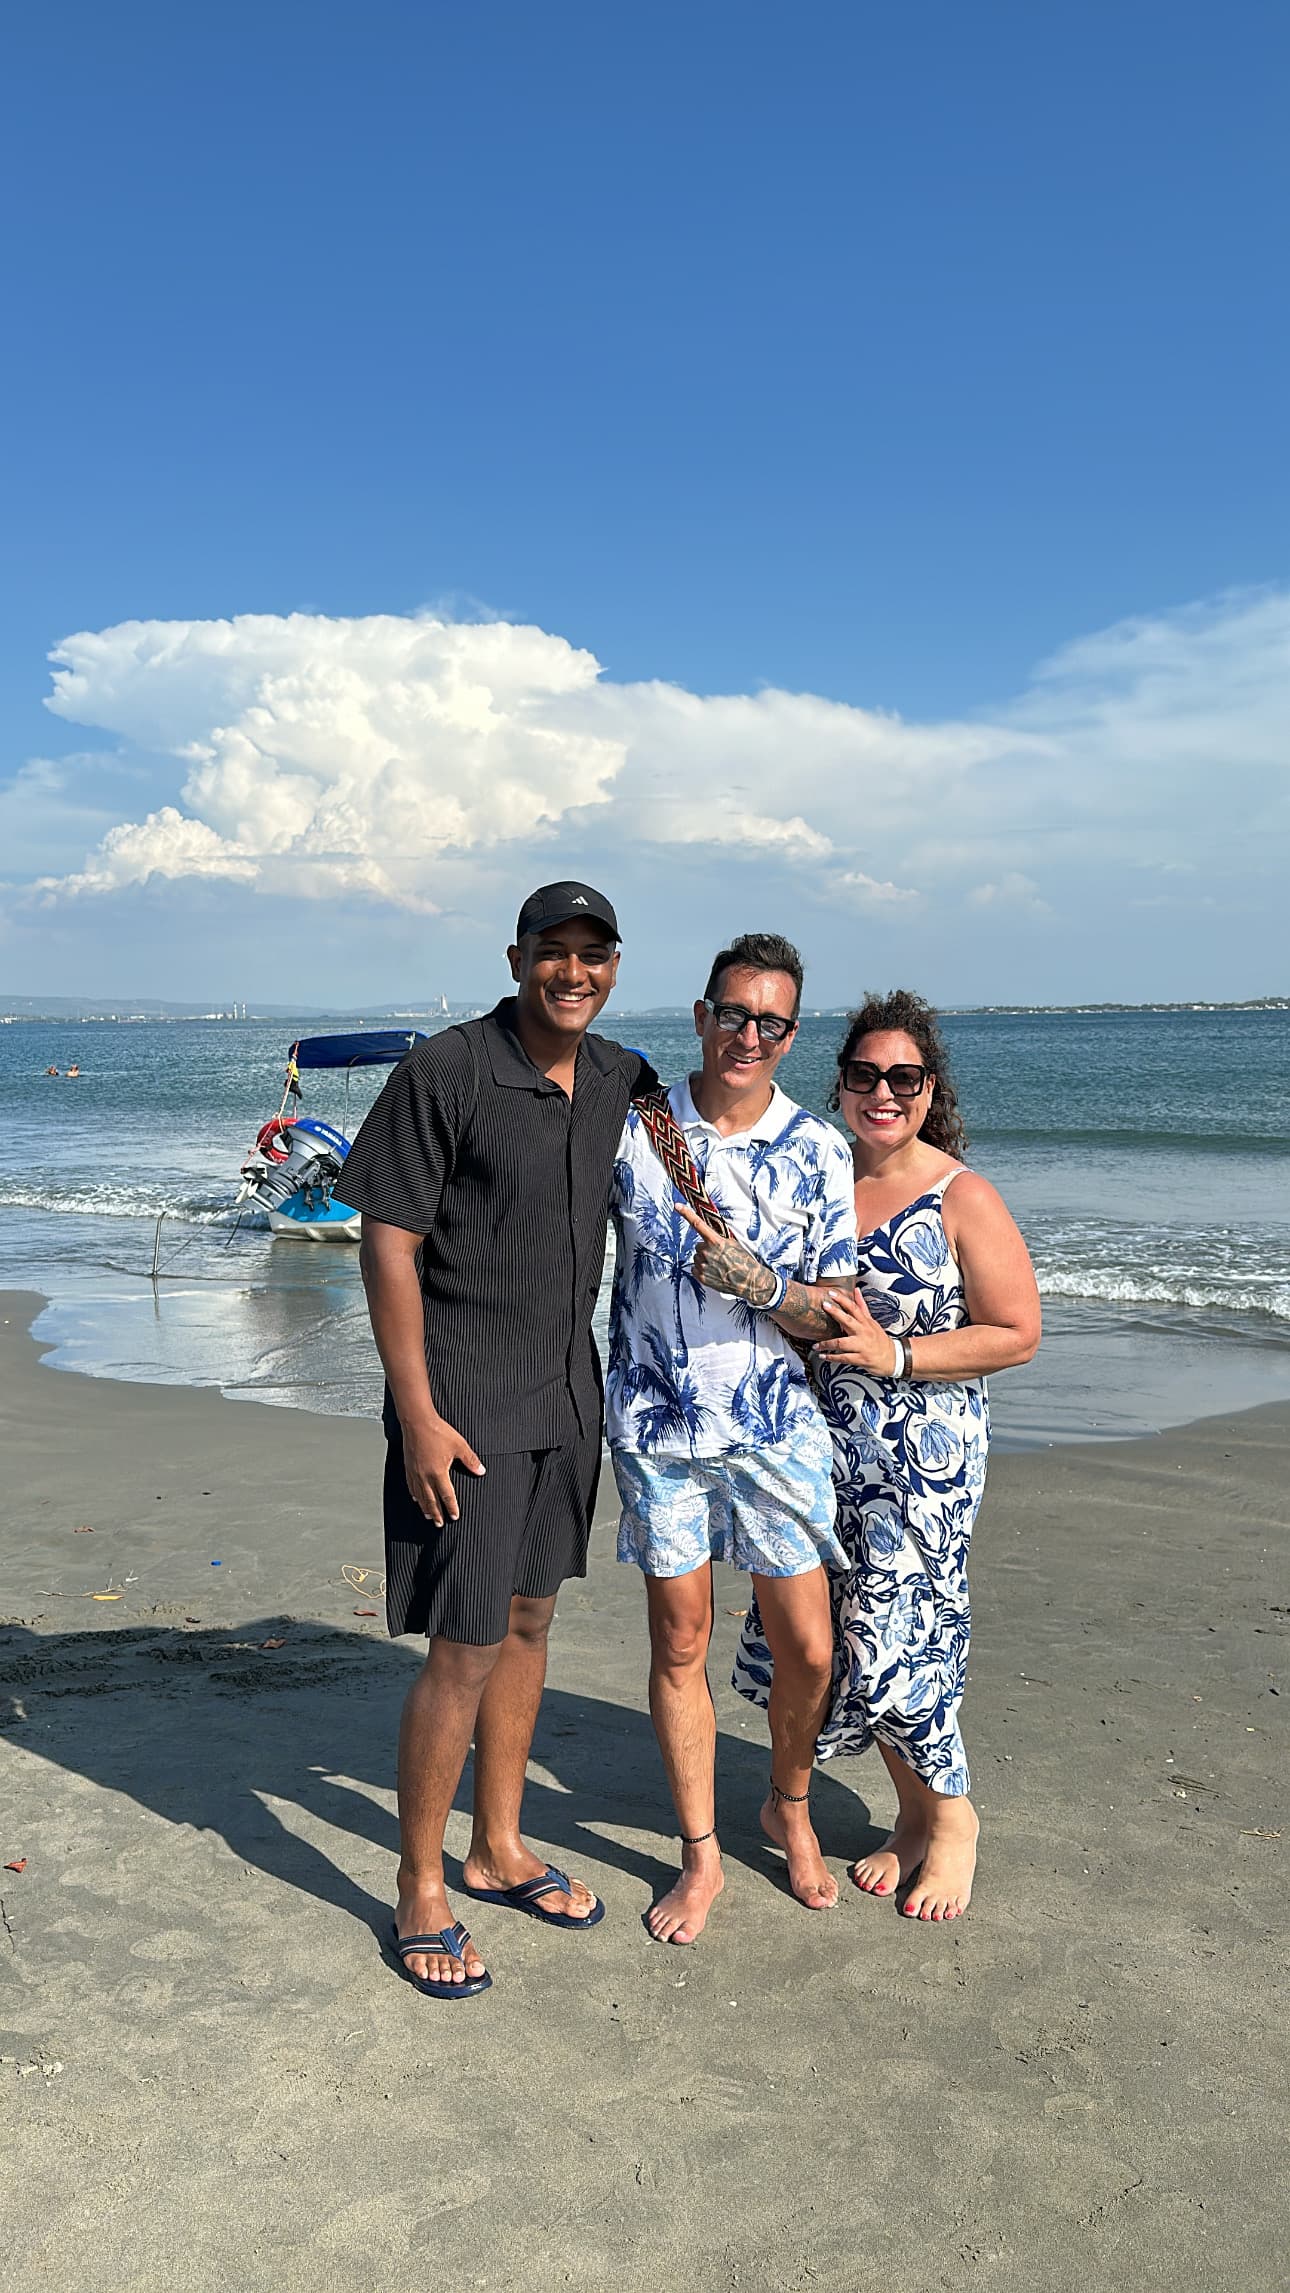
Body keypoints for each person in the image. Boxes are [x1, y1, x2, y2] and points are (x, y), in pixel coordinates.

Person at [339, 882, 659, 2000]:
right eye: (554, 952)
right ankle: (421, 1881)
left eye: (594, 954)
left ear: (616, 964)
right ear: (518, 956)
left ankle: (500, 1844)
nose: (573, 972)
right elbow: (386, 1241)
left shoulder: (622, 1077)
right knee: (464, 1643)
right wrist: (416, 1412)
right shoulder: (450, 1068)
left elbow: (709, 1164)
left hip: (570, 1395)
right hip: (464, 1395)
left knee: (530, 1620)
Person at [734, 990, 1041, 1921]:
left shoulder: (961, 1193)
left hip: (922, 1464)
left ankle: (954, 1823)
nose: (882, 1091)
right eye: (865, 1074)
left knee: (903, 1635)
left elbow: (1018, 1331)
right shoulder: (823, 1174)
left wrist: (897, 1353)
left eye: (902, 1077)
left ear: (928, 1087)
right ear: (841, 1083)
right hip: (822, 1452)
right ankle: (910, 1816)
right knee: (849, 1642)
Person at [607, 933, 859, 1944]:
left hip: (772, 1423)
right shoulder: (636, 1127)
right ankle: (700, 1856)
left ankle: (786, 1803)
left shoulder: (818, 1149)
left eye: (771, 1021)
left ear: (791, 1036)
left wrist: (766, 1288)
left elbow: (835, 1311)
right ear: (701, 1014)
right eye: (733, 1012)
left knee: (806, 1645)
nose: (747, 1034)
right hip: (656, 1420)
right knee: (680, 1641)